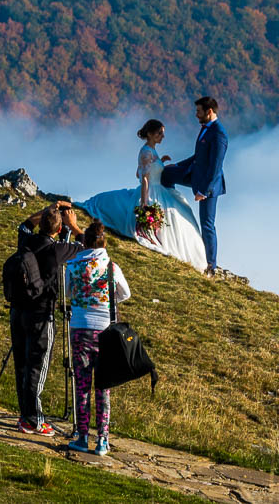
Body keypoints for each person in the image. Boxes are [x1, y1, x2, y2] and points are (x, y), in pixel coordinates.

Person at [77, 119, 207, 271]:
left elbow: (147, 170)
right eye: (159, 133)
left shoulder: (152, 151)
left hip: (159, 189)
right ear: (150, 134)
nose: (162, 137)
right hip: (151, 191)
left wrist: (161, 161)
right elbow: (143, 177)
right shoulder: (146, 152)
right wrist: (144, 203)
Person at [11, 200, 85, 436]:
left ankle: (26, 416)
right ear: (58, 229)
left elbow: (23, 226)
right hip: (42, 314)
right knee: (37, 366)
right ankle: (35, 420)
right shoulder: (57, 250)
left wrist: (46, 212)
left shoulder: (28, 242)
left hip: (18, 311)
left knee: (22, 365)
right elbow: (86, 245)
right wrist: (74, 226)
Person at [65, 220, 131, 456]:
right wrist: (106, 301)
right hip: (104, 330)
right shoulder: (111, 266)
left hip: (80, 327)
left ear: (85, 242)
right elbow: (125, 293)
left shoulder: (72, 265)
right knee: (103, 387)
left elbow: (68, 293)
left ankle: (82, 436)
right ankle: (102, 439)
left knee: (82, 384)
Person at [160, 96, 228, 277]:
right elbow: (197, 156)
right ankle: (170, 213)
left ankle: (211, 266)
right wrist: (178, 165)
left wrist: (203, 191)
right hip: (193, 173)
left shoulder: (219, 134)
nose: (196, 115)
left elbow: (216, 166)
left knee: (207, 224)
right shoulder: (206, 129)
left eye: (199, 111)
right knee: (166, 174)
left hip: (208, 185)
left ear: (209, 112)